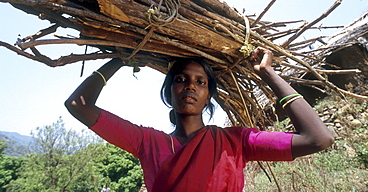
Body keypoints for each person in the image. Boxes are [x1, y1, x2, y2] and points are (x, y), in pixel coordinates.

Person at [65, 47, 334, 191]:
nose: (190, 86)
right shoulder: (147, 141)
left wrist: (268, 73)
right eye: (180, 80)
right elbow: (78, 105)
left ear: (208, 96)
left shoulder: (236, 141)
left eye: (200, 82)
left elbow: (318, 139)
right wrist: (119, 60)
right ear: (169, 93)